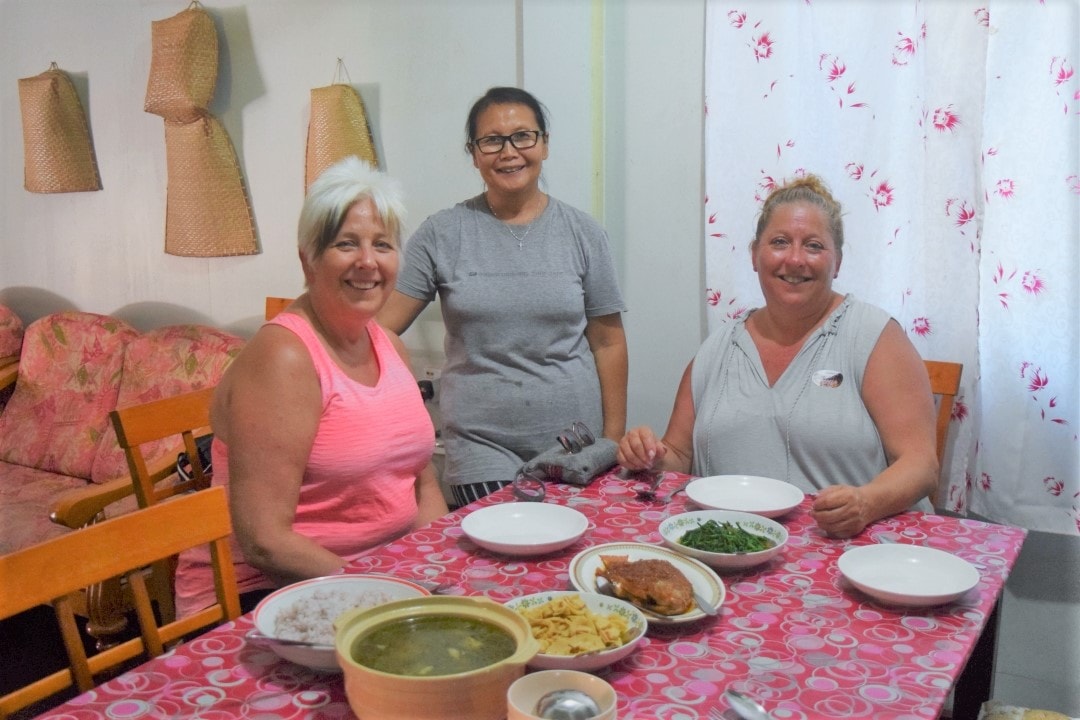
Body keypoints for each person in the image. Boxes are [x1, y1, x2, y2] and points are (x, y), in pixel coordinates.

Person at [174, 157, 448, 616]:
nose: (368, 261)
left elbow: (423, 485)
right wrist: (387, 593)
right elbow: (265, 542)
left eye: (382, 244)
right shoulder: (284, 359)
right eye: (346, 244)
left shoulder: (390, 346)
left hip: (379, 579)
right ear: (309, 259)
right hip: (265, 595)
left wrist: (437, 568)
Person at [617, 174, 938, 538]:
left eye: (814, 246)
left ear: (838, 262)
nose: (796, 259)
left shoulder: (874, 337)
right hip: (734, 549)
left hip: (852, 551)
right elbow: (678, 456)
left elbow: (920, 463)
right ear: (755, 255)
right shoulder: (718, 348)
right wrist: (648, 455)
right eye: (780, 242)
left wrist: (866, 503)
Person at [379, 87, 628, 506]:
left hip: (576, 442)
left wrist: (612, 440)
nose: (508, 151)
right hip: (480, 445)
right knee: (497, 557)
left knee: (567, 556)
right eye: (491, 140)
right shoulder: (442, 233)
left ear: (544, 144)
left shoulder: (583, 233)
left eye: (523, 136)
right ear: (474, 154)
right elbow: (381, 331)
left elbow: (609, 341)